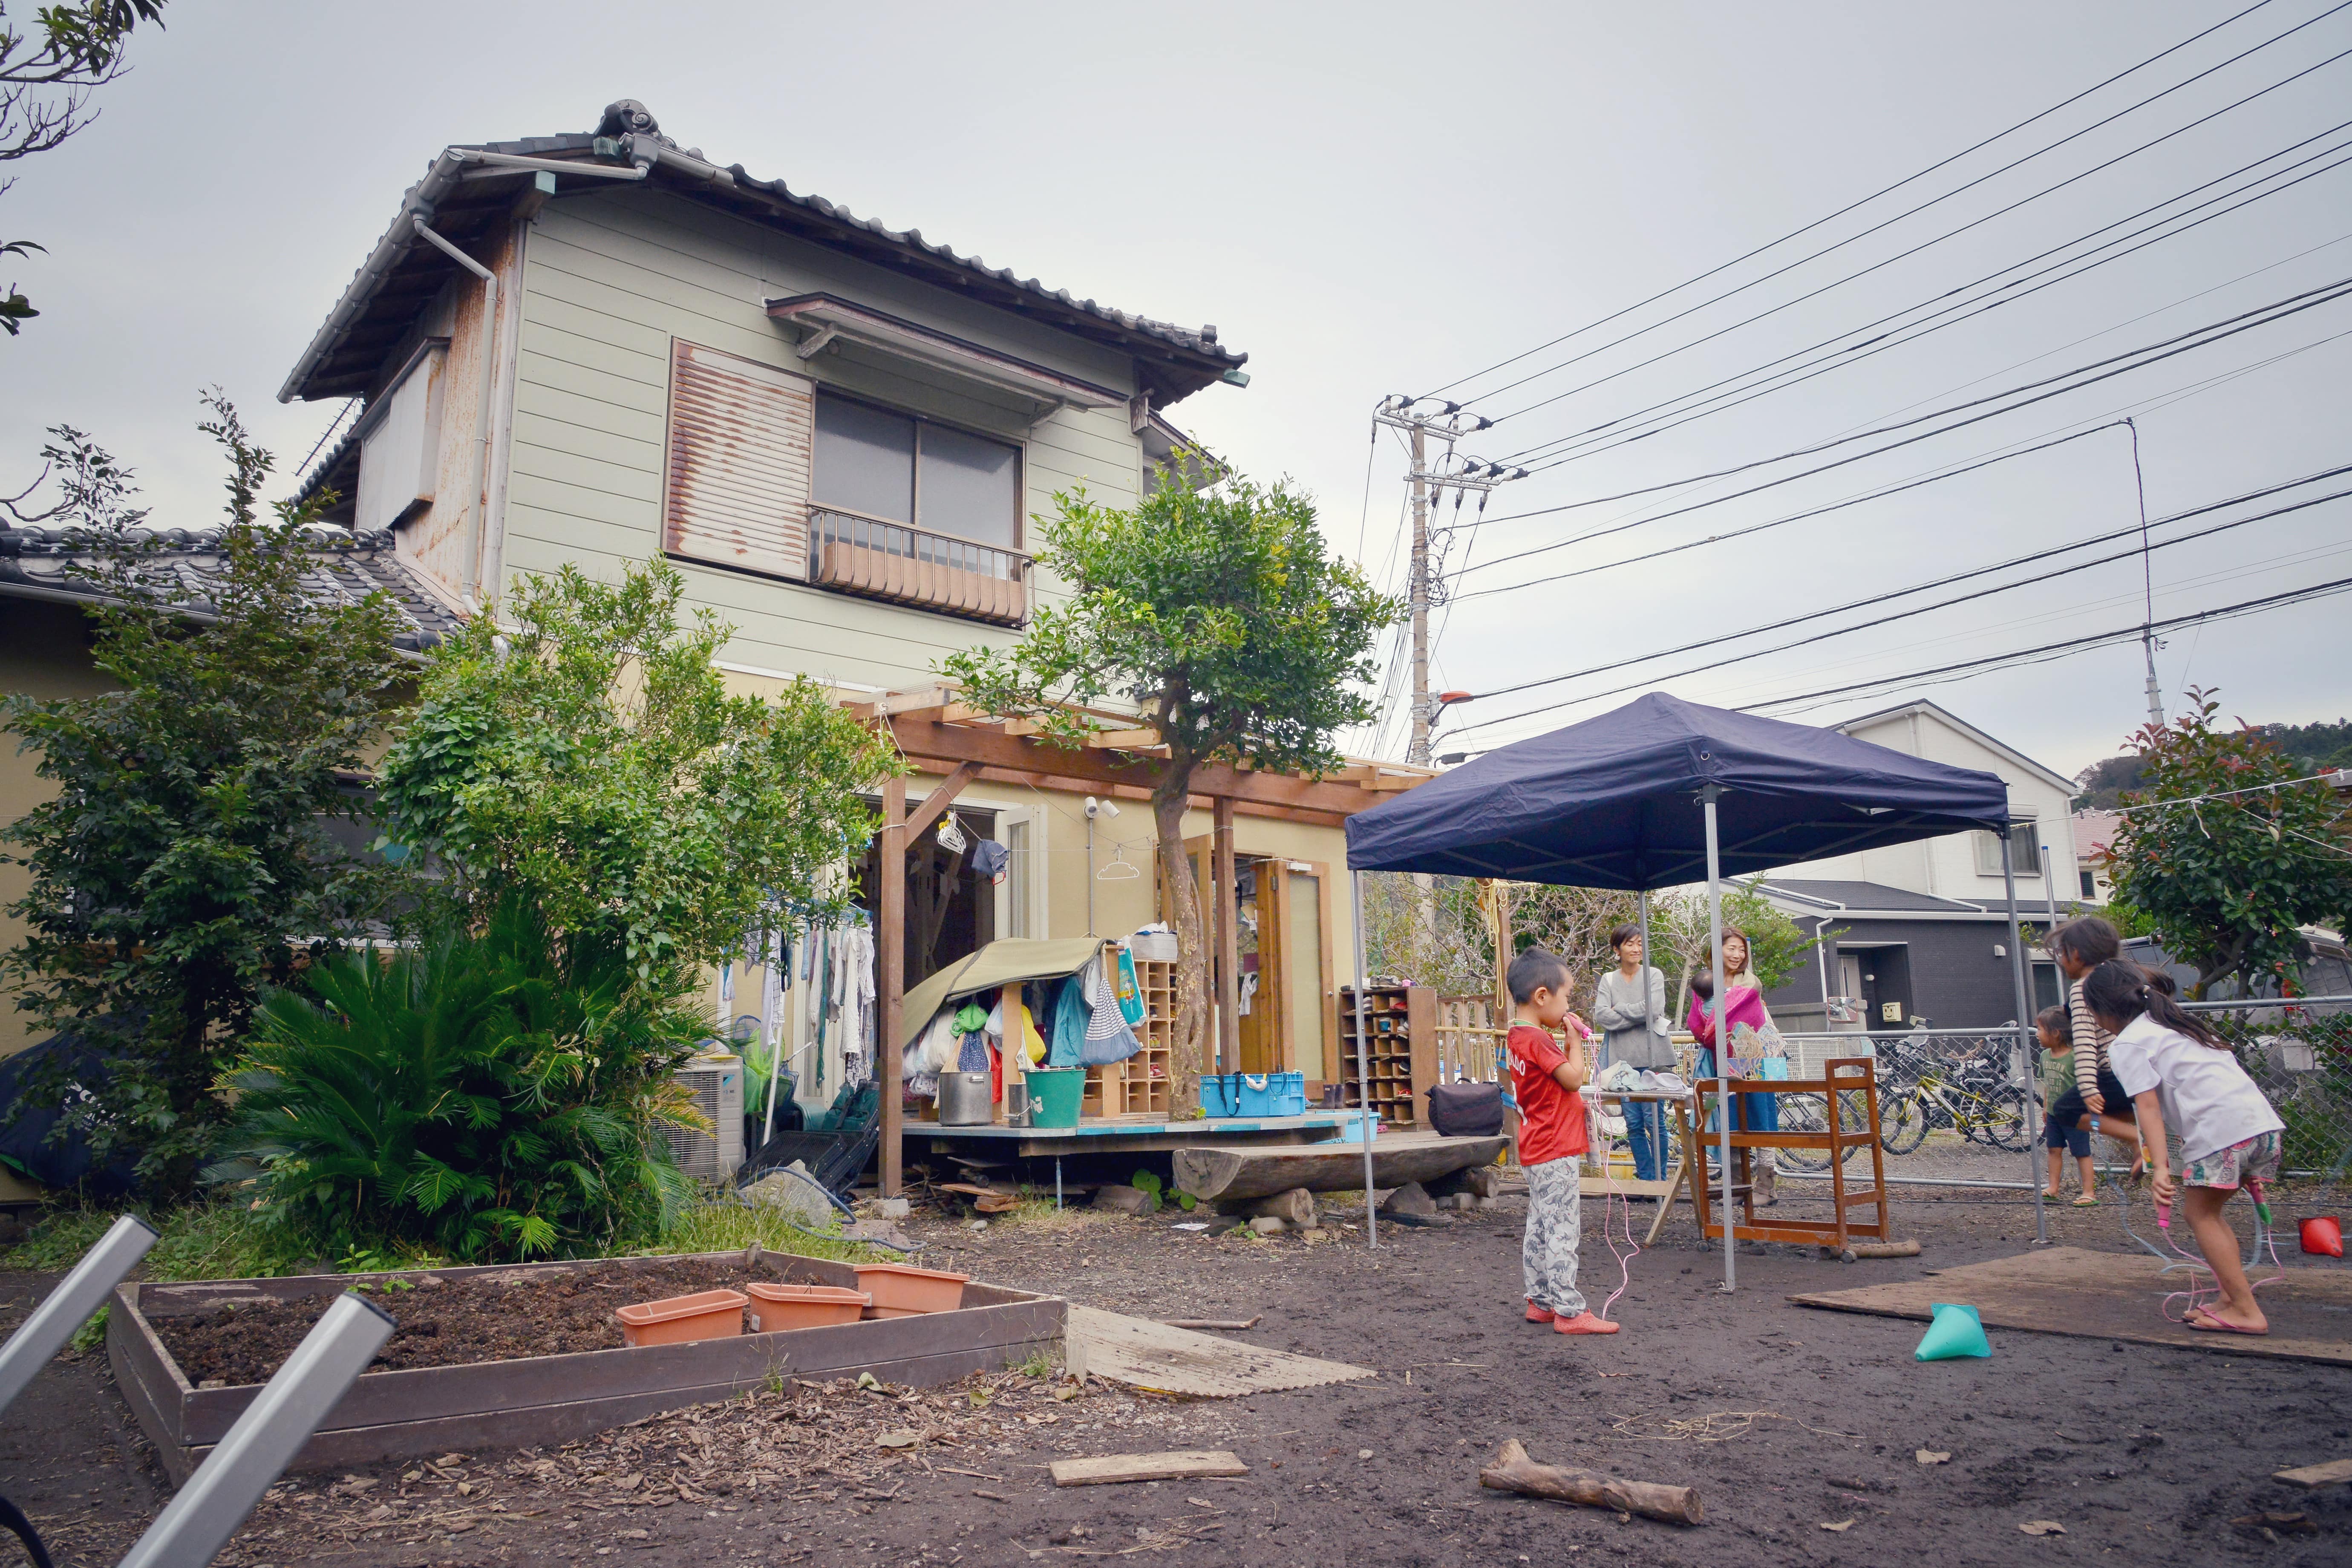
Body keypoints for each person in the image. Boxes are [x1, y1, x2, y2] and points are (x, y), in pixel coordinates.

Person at [2084, 960, 2285, 1335]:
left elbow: (2148, 1108)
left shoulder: (2128, 1043)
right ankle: (2230, 1299)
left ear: (2103, 1010)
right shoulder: (2174, 1024)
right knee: (2211, 1215)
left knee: (2201, 1216)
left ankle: (2246, 1310)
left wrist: (2158, 1166)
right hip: (2262, 1128)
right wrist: (2157, 1160)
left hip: (2222, 1134)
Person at [1506, 945, 1618, 1335]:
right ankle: (1569, 1310)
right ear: (1542, 996)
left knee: (1540, 1225)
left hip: (1536, 1147)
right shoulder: (1539, 1040)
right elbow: (1572, 1078)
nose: (1569, 1004)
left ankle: (1540, 1301)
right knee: (1562, 1229)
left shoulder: (1518, 1036)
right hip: (1555, 1149)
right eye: (1566, 996)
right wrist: (1574, 1042)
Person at [1685, 929, 1782, 1205]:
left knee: (1761, 1120)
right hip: (1718, 1061)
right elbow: (1697, 1021)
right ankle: (1738, 1186)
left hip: (1754, 1061)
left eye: (1741, 950)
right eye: (1731, 948)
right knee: (1729, 1121)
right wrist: (1709, 1031)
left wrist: (1719, 1028)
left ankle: (1767, 1187)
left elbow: (1750, 1021)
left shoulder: (1751, 984)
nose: (1738, 955)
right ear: (1717, 950)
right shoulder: (1704, 983)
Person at [2046, 917, 2145, 1173]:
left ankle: (2138, 1138)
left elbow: (2085, 1040)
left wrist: (2088, 1086)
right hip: (2137, 1068)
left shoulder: (2082, 990)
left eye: (2062, 952)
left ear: (2076, 954)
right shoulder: (2124, 980)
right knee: (2112, 1108)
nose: (2060, 960)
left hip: (2111, 1071)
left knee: (2066, 1110)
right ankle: (2140, 1145)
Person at [1590, 922, 1672, 1183]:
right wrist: (1638, 1014)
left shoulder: (1654, 975)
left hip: (1652, 1057)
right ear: (1617, 949)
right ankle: (1646, 1178)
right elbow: (1602, 1015)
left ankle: (1659, 1178)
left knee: (1655, 1121)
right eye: (1630, 944)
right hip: (1621, 1061)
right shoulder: (1609, 979)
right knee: (1634, 1124)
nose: (1637, 949)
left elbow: (1655, 1010)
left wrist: (1621, 1008)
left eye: (1640, 943)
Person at [2035, 1004, 2098, 1205]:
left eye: (2040, 1029)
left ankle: (2089, 1192)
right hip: (2054, 1114)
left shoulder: (2076, 1057)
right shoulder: (2045, 1056)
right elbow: (2047, 1084)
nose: (2037, 1034)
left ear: (2055, 1033)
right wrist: (2046, 1107)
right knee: (2054, 1149)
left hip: (2076, 1116)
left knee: (2082, 1152)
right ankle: (2053, 1187)